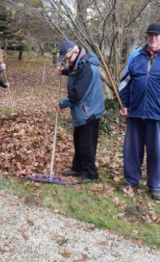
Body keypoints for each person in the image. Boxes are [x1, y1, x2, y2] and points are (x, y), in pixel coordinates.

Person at [118, 23, 160, 201]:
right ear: (146, 36)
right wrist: (123, 104)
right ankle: (131, 181)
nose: (153, 38)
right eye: (150, 35)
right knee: (132, 150)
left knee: (157, 151)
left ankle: (155, 185)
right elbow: (124, 83)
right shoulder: (136, 56)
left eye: (157, 35)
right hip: (136, 112)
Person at [56, 40, 105, 182]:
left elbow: (77, 94)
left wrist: (61, 104)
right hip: (83, 109)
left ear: (75, 51)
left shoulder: (87, 66)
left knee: (87, 143)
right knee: (78, 140)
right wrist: (64, 71)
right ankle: (77, 168)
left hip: (89, 110)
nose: (66, 61)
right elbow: (75, 72)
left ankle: (90, 174)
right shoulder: (80, 62)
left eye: (67, 58)